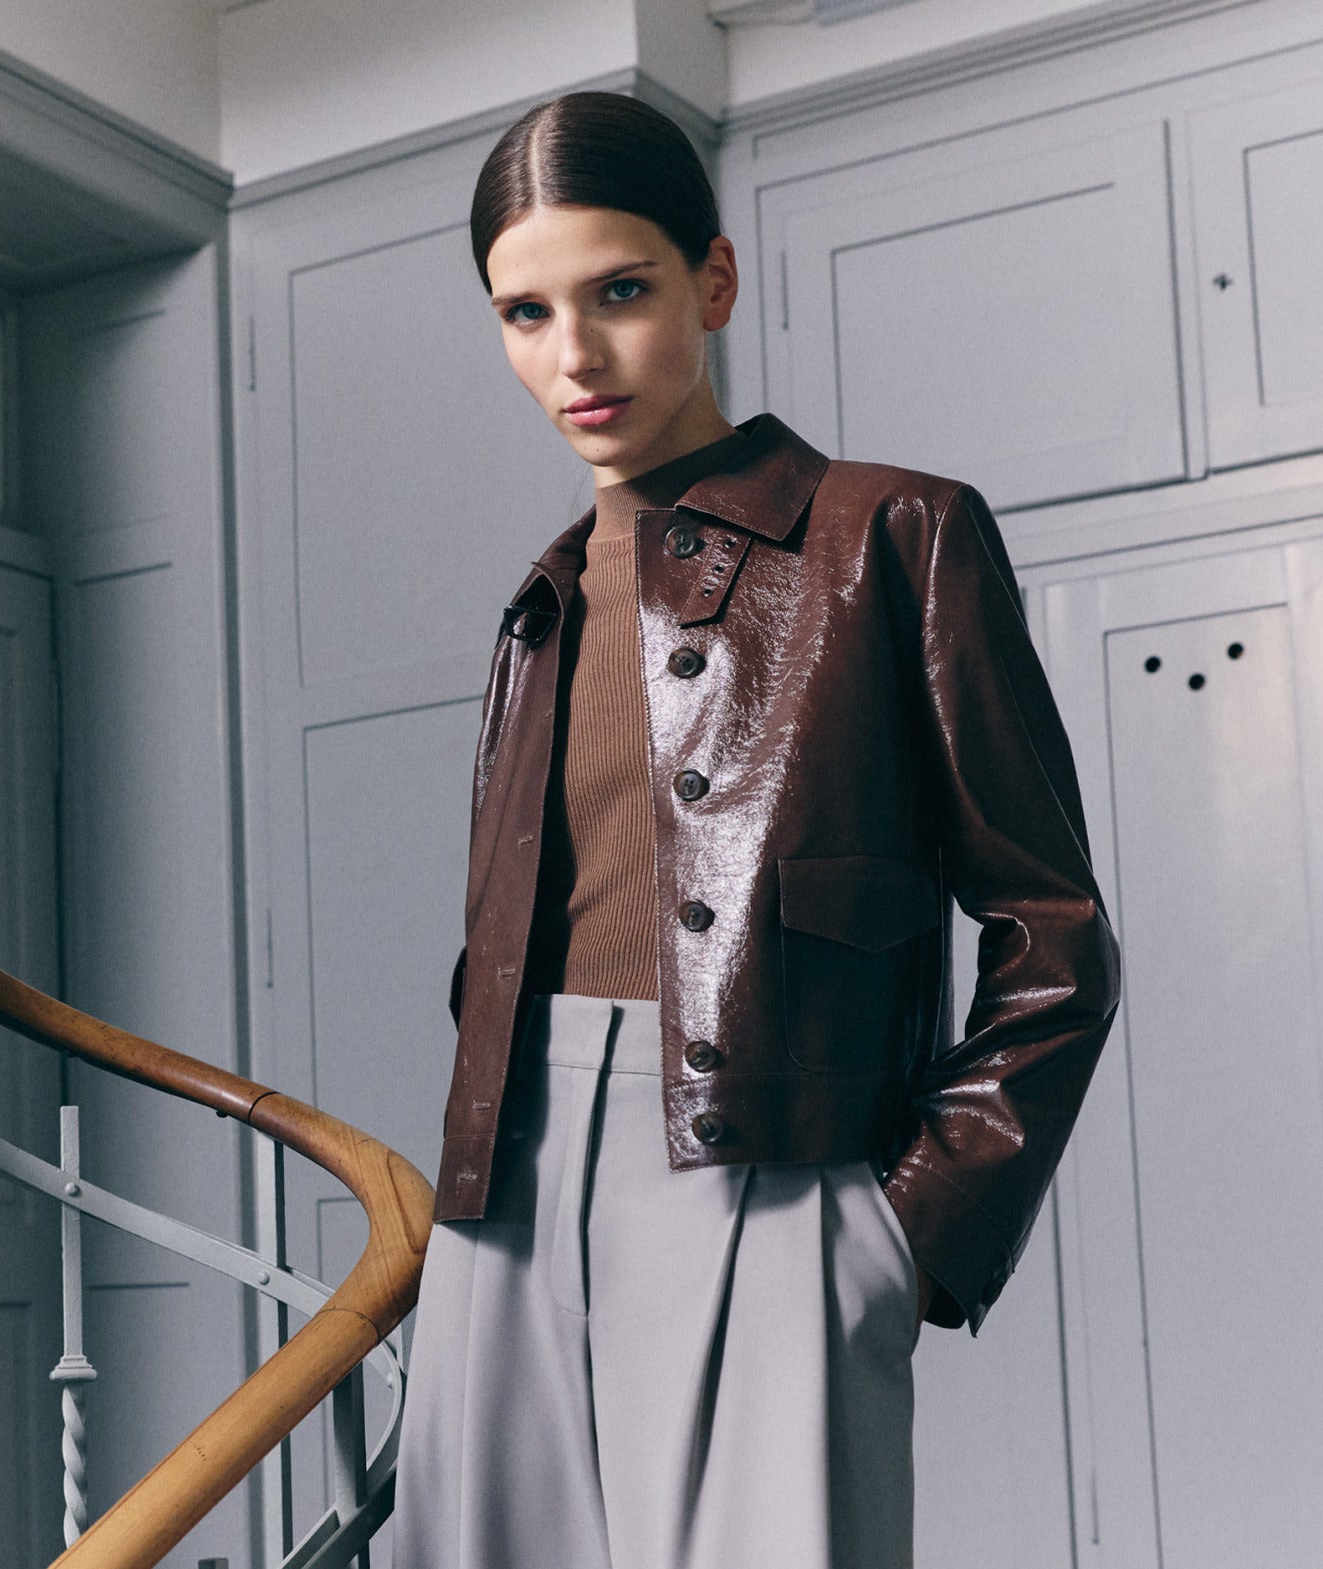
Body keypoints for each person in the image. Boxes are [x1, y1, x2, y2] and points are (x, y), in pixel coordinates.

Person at [393, 89, 1121, 1569]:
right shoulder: (538, 600)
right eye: (523, 314)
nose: (574, 357)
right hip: (505, 1180)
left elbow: (1053, 935)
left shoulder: (890, 536)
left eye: (619, 293)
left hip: (769, 1167)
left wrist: (901, 1231)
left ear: (710, 284)